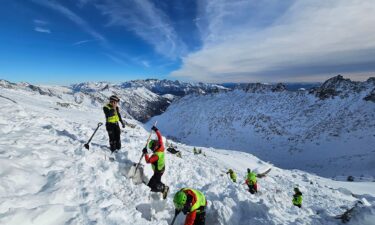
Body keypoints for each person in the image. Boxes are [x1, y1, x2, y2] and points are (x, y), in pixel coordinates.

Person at [142, 125, 169, 199]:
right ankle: (151, 186)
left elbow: (148, 161)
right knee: (153, 180)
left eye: (152, 148)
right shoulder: (161, 146)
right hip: (161, 167)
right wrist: (156, 130)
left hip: (158, 171)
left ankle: (164, 188)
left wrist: (145, 153)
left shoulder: (156, 155)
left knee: (155, 185)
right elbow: (160, 137)